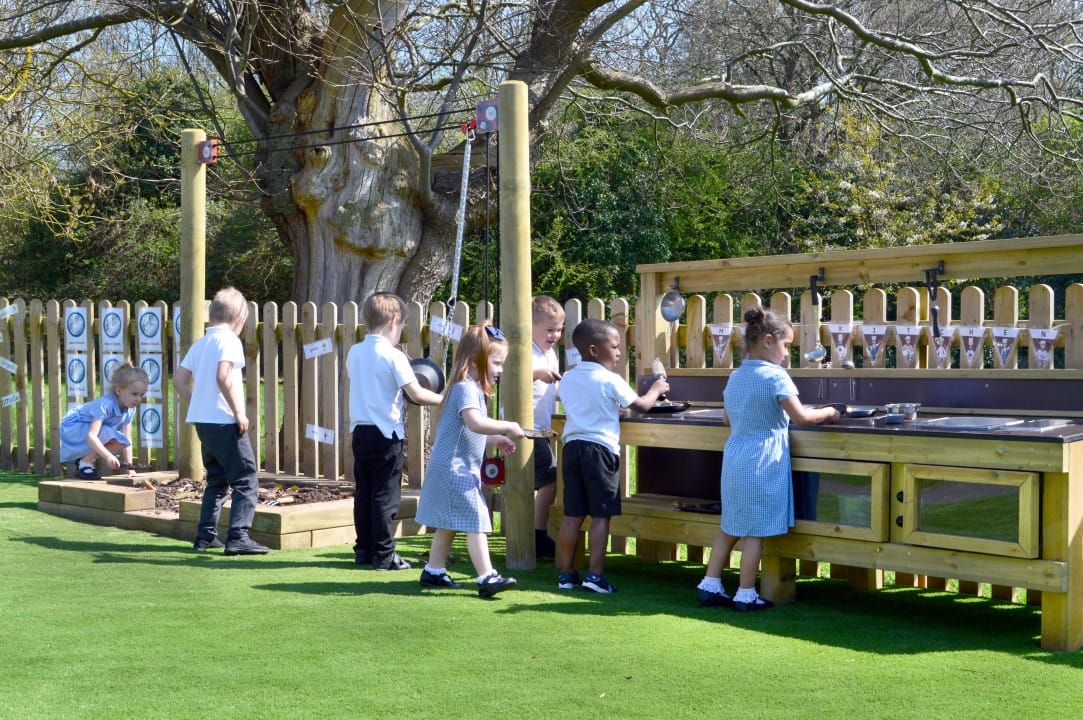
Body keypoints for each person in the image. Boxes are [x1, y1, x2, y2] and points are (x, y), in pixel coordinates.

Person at [696, 307, 839, 611]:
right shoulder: (776, 376)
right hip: (763, 461)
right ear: (769, 340)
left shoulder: (736, 376)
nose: (787, 354)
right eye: (787, 345)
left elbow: (727, 419)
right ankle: (746, 594)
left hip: (735, 458)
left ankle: (710, 584)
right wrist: (828, 412)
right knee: (756, 532)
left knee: (731, 525)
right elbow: (800, 417)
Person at [556, 318, 668, 594]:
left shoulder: (569, 377)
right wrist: (656, 389)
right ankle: (595, 576)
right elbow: (641, 406)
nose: (620, 352)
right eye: (615, 347)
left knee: (572, 515)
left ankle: (566, 575)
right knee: (600, 515)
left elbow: (586, 406)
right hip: (600, 451)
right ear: (594, 350)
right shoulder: (610, 379)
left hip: (572, 448)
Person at [415, 323, 525, 598]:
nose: (500, 370)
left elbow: (465, 432)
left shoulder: (468, 388)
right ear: (477, 361)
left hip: (452, 467)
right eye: (497, 363)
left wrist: (494, 440)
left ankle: (434, 571)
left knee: (449, 523)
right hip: (455, 470)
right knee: (476, 519)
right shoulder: (466, 388)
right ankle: (487, 577)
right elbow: (475, 423)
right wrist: (506, 427)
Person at [347, 292, 443, 570]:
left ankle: (363, 551)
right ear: (394, 321)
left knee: (364, 493)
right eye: (401, 327)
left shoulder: (355, 351)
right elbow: (417, 393)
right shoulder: (393, 356)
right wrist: (445, 399)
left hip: (360, 431)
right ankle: (385, 555)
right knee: (385, 497)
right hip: (386, 433)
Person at [173, 287, 268, 556]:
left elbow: (178, 380)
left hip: (203, 421)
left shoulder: (201, 342)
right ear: (240, 317)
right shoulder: (229, 341)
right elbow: (223, 376)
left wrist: (197, 403)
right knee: (246, 477)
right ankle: (238, 536)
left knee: (217, 479)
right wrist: (239, 412)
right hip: (225, 420)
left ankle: (205, 536)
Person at [60, 363, 149, 479]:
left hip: (85, 428)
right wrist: (108, 456)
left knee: (122, 440)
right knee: (112, 434)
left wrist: (130, 468)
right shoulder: (105, 405)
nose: (138, 399)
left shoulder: (130, 409)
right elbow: (91, 436)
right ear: (118, 390)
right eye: (134, 394)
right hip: (73, 427)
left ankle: (85, 462)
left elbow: (127, 440)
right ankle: (84, 463)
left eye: (141, 395)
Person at [530, 295, 565, 559]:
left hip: (543, 427)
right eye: (550, 329)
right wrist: (536, 373)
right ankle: (537, 535)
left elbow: (554, 391)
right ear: (530, 326)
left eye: (559, 329)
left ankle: (535, 532)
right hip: (526, 427)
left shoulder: (550, 354)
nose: (555, 335)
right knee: (549, 480)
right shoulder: (523, 350)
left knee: (546, 481)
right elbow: (512, 376)